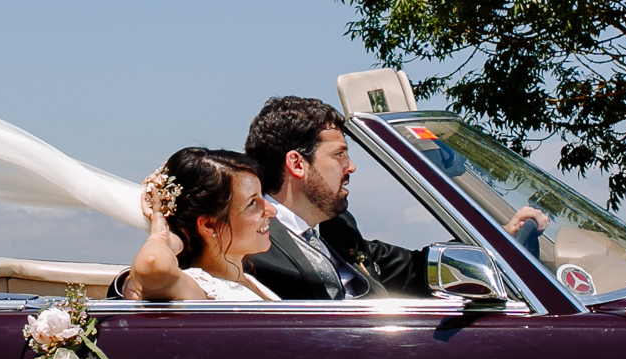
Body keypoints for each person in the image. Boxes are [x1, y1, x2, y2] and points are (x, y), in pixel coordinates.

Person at [242, 96, 546, 299]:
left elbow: (413, 269)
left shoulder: (337, 228)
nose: (351, 167)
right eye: (339, 155)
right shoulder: (249, 247)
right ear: (297, 164)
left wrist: (497, 239)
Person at [122, 147, 279, 301]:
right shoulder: (199, 289)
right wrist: (162, 237)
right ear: (208, 225)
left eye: (262, 197)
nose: (271, 210)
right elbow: (151, 263)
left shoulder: (249, 280)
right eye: (252, 203)